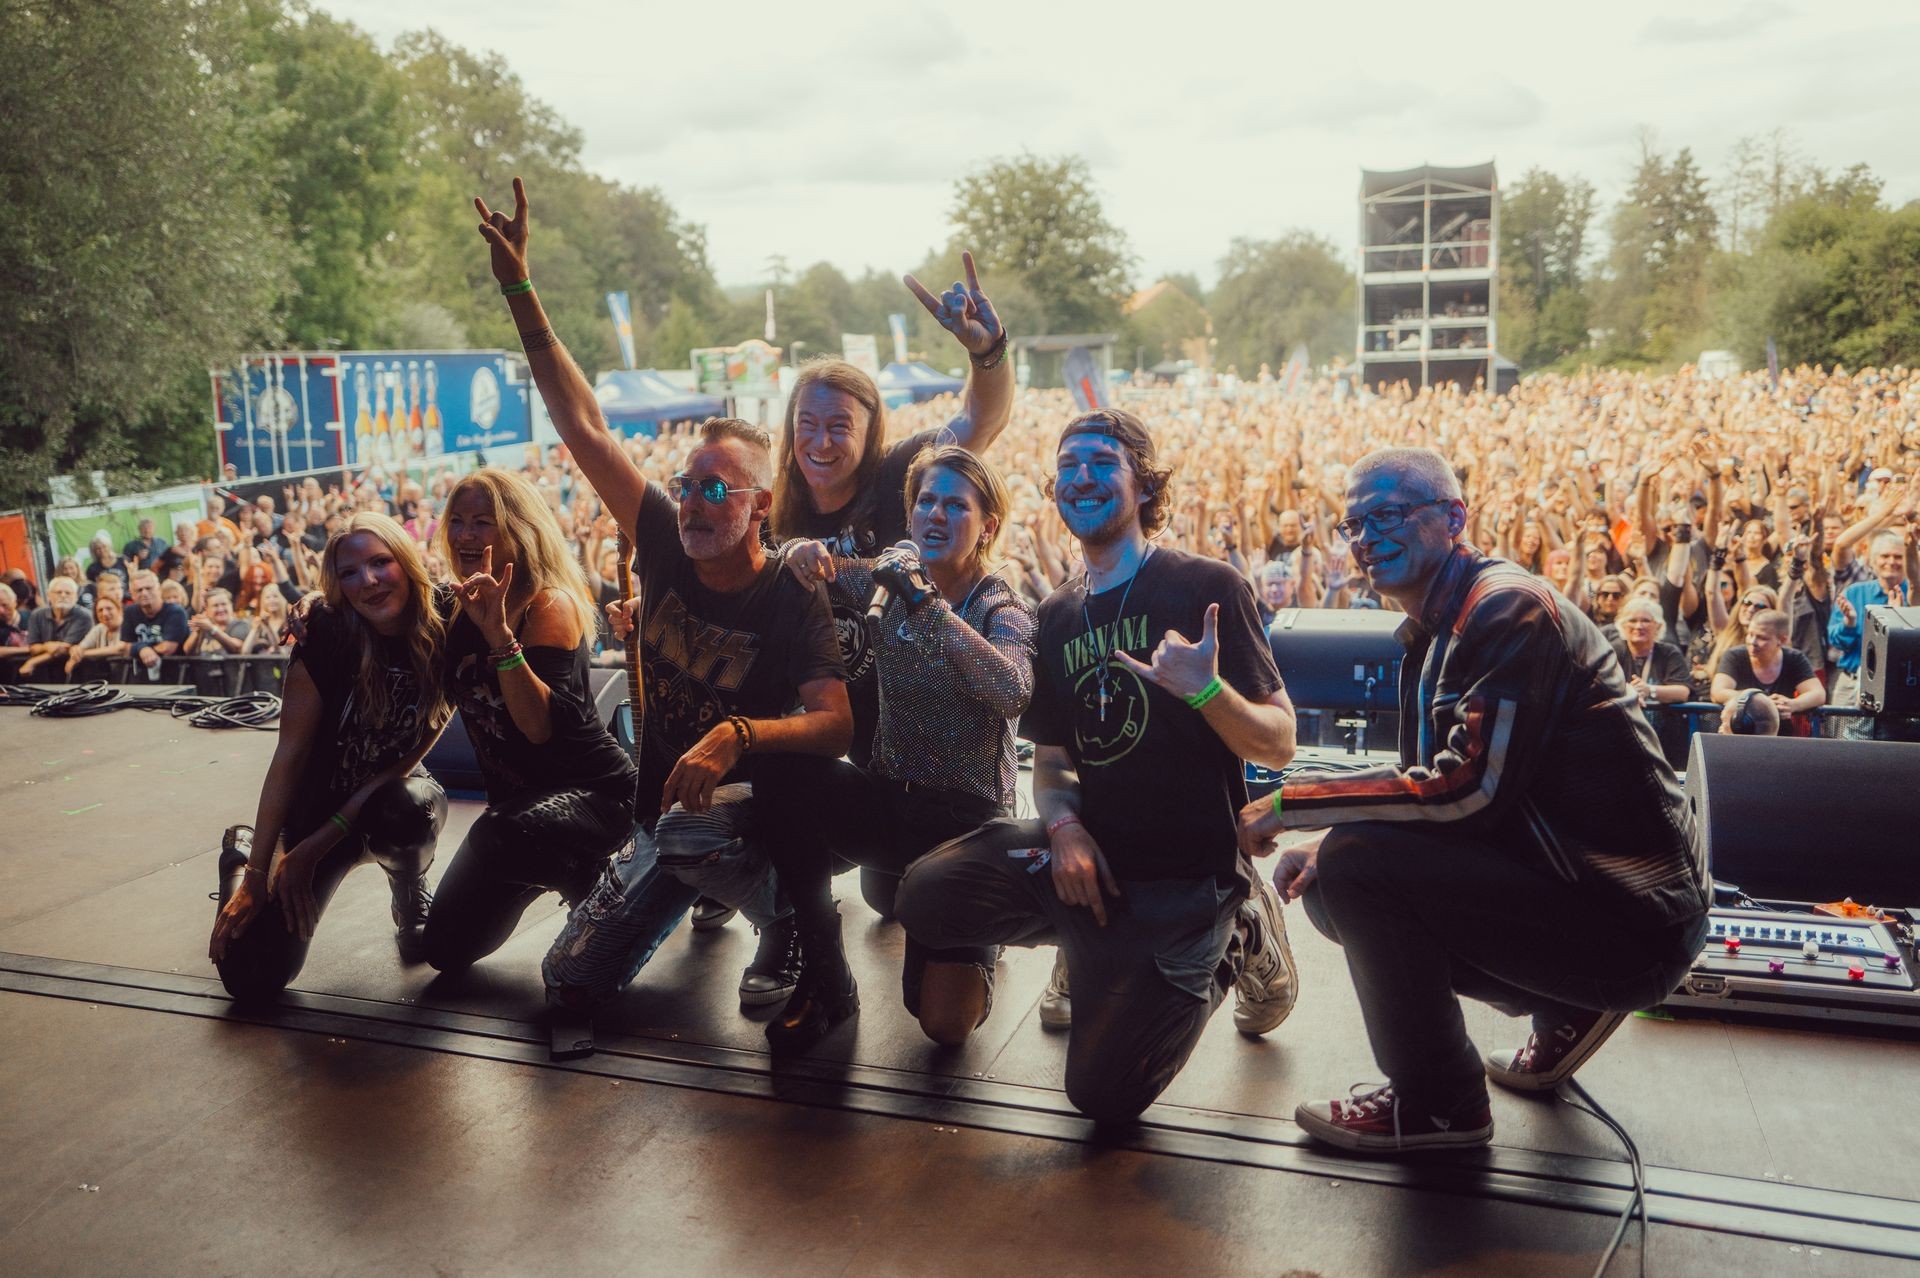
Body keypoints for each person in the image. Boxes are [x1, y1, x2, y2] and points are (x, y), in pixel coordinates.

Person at [1239, 446, 1709, 1153]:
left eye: (1390, 515)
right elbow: (1435, 795)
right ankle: (1567, 1008)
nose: (1368, 538)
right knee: (1337, 877)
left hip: (1636, 923)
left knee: (1360, 864)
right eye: (1354, 525)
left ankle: (1440, 1106)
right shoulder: (1436, 626)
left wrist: (1292, 805)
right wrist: (1323, 840)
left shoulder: (1506, 610)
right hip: (1597, 900)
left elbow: (1471, 791)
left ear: (1454, 517)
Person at [471, 177, 852, 1013]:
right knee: (565, 979)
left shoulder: (789, 589)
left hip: (746, 813)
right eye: (687, 483)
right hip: (660, 816)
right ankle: (693, 883)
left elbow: (837, 724)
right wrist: (519, 290)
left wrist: (736, 734)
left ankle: (786, 911)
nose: (692, 500)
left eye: (719, 490)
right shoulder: (662, 542)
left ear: (760, 506)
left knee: (695, 831)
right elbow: (585, 426)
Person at [895, 407, 1300, 1124]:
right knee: (926, 894)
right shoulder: (1055, 615)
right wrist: (1064, 832)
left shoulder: (1204, 587)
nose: (1080, 477)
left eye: (1100, 463)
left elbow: (1278, 742)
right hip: (1099, 858)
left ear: (1143, 487)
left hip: (1187, 876)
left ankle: (1239, 931)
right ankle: (1092, 949)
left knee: (1102, 1098)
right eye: (1067, 467)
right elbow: (1050, 763)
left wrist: (1206, 691)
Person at [763, 445, 1036, 1049]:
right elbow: (783, 560)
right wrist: (797, 552)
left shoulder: (1001, 605)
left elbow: (1012, 689)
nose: (936, 515)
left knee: (941, 1025)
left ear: (987, 526)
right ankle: (824, 972)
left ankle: (987, 940)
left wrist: (927, 603)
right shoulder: (884, 577)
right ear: (909, 516)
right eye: (926, 502)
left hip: (967, 826)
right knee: (782, 772)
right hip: (891, 801)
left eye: (956, 505)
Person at [771, 250, 1013, 915]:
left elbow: (981, 421)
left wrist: (987, 353)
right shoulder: (778, 518)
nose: (821, 443)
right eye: (808, 426)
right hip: (835, 717)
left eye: (839, 427)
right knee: (773, 783)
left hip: (915, 727)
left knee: (892, 898)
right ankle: (781, 912)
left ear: (872, 429)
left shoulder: (898, 474)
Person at [207, 513, 452, 1002]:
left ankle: (409, 888)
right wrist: (258, 874)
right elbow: (289, 756)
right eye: (349, 573)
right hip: (313, 814)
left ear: (407, 559)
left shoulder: (447, 617)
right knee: (250, 975)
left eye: (381, 563)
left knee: (403, 811)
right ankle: (245, 848)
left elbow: (433, 726)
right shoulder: (326, 632)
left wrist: (326, 839)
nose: (369, 581)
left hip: (390, 795)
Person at [418, 468, 638, 974]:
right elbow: (383, 604)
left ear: (517, 528)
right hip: (518, 815)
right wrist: (318, 605)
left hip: (598, 797)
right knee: (444, 952)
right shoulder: (456, 604)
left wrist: (498, 636)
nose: (467, 535)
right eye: (457, 521)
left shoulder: (549, 604)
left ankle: (601, 892)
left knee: (500, 832)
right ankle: (562, 869)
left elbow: (537, 728)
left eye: (482, 522)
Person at [1828, 531, 1911, 737]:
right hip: (1850, 683)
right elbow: (1835, 641)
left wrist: (1897, 617)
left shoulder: (1914, 595)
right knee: (1838, 744)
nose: (1891, 561)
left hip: (1897, 691)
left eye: (1898, 556)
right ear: (1873, 561)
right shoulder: (1855, 592)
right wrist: (1849, 624)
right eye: (1884, 556)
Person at [1713, 608, 1826, 736]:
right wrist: (1760, 702)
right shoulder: (1735, 655)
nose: (1752, 642)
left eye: (1762, 638)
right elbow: (1718, 691)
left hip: (1781, 736)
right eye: (1750, 634)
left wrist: (1793, 705)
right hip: (1740, 732)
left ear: (1781, 640)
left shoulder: (1794, 658)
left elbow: (1818, 693)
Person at [1610, 595, 1691, 766]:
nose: (1639, 626)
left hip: (1664, 742)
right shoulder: (1614, 649)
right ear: (1623, 625)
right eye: (1632, 620)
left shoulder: (1669, 652)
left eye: (1646, 620)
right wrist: (1627, 690)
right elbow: (1601, 683)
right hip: (1621, 738)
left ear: (1658, 626)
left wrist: (1650, 690)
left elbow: (1683, 691)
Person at [114, 571, 190, 682]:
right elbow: (124, 646)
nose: (144, 593)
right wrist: (142, 648)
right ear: (132, 594)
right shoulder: (130, 612)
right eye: (139, 590)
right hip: (142, 678)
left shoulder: (175, 612)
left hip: (175, 677)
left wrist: (140, 648)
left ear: (159, 590)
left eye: (149, 588)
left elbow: (168, 648)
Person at [18, 576, 93, 681]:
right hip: (44, 674)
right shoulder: (37, 614)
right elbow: (33, 648)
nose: (63, 596)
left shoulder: (84, 616)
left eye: (68, 593)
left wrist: (32, 662)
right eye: (58, 592)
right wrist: (47, 646)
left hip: (75, 672)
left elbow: (63, 649)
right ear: (49, 595)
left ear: (76, 597)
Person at [64, 597, 124, 679]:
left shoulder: (127, 625)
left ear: (119, 610)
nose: (105, 613)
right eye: (100, 610)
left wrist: (84, 654)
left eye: (109, 608)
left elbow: (118, 649)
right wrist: (75, 652)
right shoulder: (99, 628)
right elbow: (81, 646)